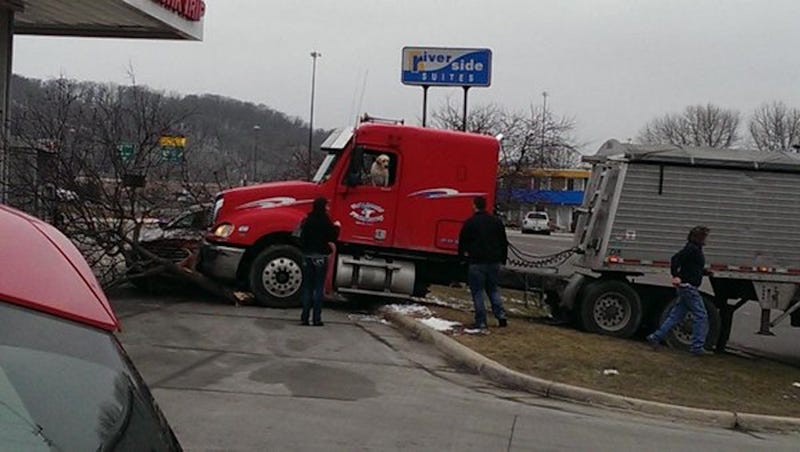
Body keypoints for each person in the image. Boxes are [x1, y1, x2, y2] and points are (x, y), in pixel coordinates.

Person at [647, 226, 712, 356]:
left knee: (675, 315)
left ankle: (656, 336)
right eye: (704, 236)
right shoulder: (692, 249)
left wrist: (704, 272)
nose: (706, 239)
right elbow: (675, 259)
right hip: (689, 287)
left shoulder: (694, 249)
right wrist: (675, 275)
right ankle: (697, 346)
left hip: (685, 286)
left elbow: (691, 266)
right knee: (701, 315)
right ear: (698, 237)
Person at [458, 196, 509, 329]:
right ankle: (501, 315)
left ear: (475, 206)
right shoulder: (496, 222)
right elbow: (503, 242)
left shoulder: (470, 222)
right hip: (494, 262)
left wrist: (462, 258)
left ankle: (481, 321)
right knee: (493, 290)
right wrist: (503, 259)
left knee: (478, 292)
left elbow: (463, 242)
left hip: (477, 262)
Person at [298, 197, 340, 326]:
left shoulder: (307, 220)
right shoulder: (325, 220)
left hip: (307, 256)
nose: (328, 208)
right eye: (326, 206)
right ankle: (316, 318)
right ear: (323, 206)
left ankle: (304, 317)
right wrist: (337, 227)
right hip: (321, 256)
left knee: (307, 287)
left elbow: (300, 237)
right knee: (318, 287)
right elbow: (332, 237)